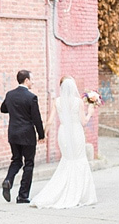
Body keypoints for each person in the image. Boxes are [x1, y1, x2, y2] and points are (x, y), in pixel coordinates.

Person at [29, 76, 97, 208]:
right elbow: (83, 122)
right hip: (76, 132)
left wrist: (43, 135)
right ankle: (79, 193)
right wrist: (90, 112)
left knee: (67, 159)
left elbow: (49, 121)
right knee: (78, 159)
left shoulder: (57, 101)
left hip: (63, 133)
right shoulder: (78, 102)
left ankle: (61, 190)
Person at [0, 70, 45, 204]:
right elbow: (37, 119)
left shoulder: (10, 94)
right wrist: (41, 135)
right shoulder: (31, 97)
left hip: (13, 133)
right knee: (29, 163)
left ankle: (8, 180)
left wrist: (14, 108)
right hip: (27, 135)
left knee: (16, 160)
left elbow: (3, 109)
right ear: (26, 80)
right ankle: (23, 195)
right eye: (32, 79)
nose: (33, 82)